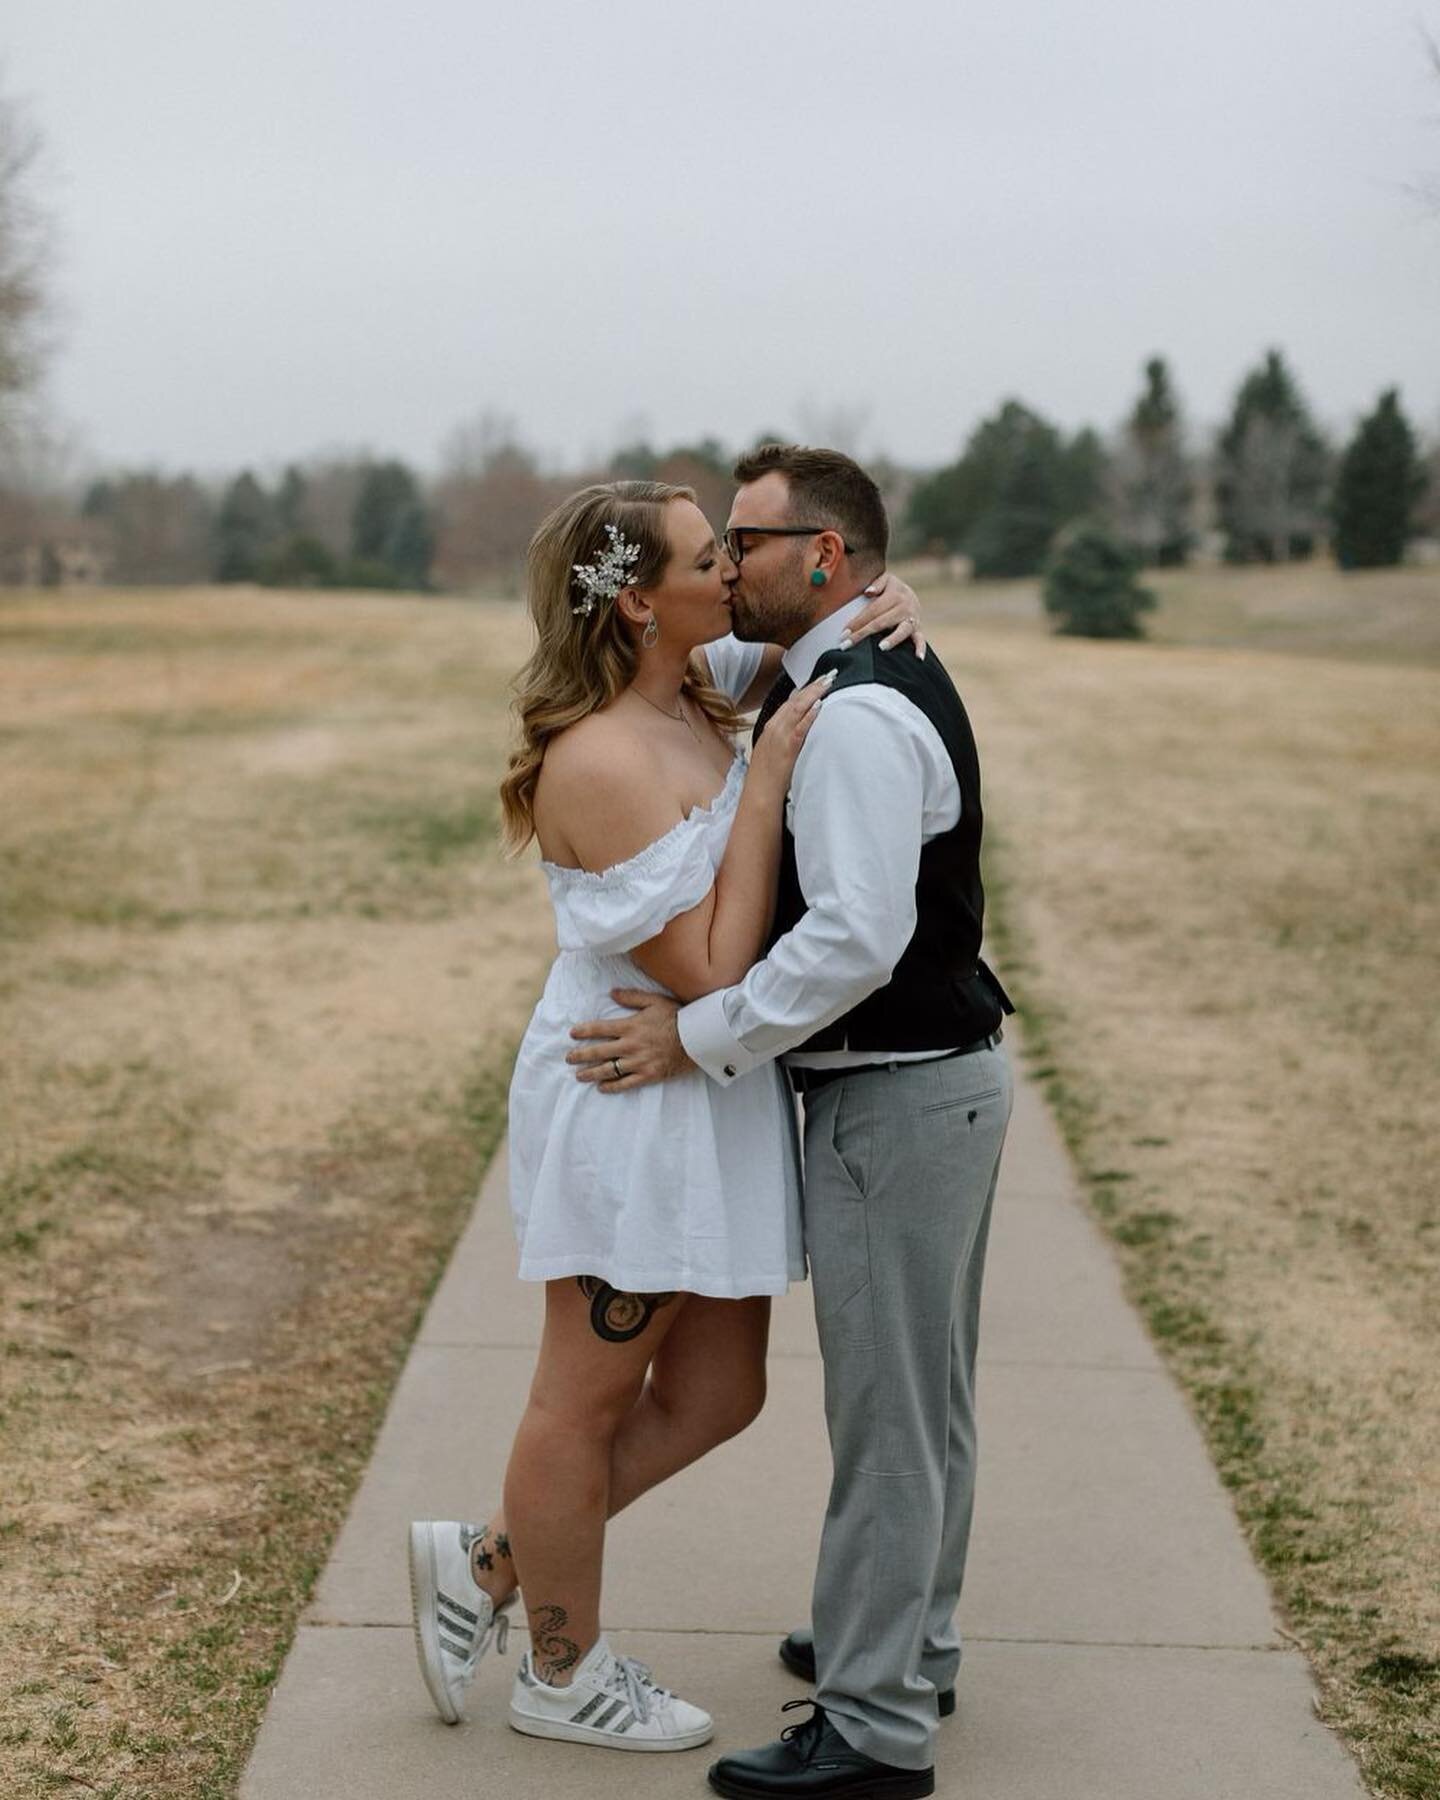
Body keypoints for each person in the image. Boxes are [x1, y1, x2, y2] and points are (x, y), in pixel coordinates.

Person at [406, 477, 928, 1753]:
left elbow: (815, 608)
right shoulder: (599, 757)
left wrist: (878, 596)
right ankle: (560, 1673)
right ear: (643, 600)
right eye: (712, 556)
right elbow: (707, 966)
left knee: (717, 1392)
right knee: (581, 1397)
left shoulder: (703, 683)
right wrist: (764, 790)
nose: (736, 570)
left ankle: (483, 1566)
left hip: (707, 1087)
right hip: (628, 1089)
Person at [565, 445, 1014, 1800]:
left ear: (821, 557)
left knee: (891, 1414)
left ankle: (876, 1726)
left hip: (897, 1098)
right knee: (924, 1402)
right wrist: (895, 591)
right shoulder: (814, 670)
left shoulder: (861, 711)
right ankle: (907, 1639)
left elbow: (858, 938)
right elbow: (714, 680)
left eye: (745, 545)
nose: (727, 566)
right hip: (931, 1087)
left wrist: (699, 1035)